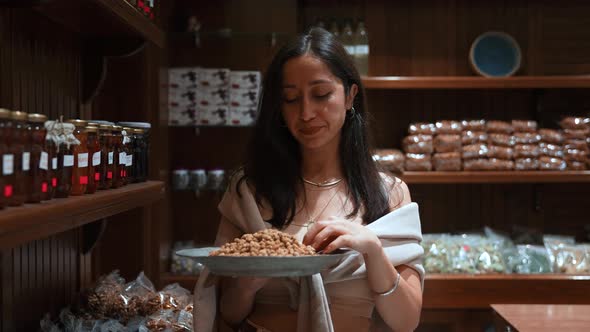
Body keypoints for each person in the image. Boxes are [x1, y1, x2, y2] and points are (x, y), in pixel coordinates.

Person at [196, 27, 424, 332]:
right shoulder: (249, 190)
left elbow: (407, 321)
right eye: (291, 99)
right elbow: (228, 315)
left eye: (321, 94)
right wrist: (247, 286)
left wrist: (373, 250)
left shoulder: (389, 193)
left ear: (350, 96)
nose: (305, 113)